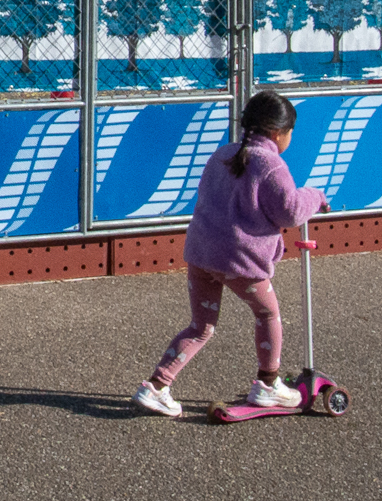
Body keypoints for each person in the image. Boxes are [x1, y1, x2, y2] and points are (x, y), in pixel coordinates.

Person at [132, 90, 327, 417]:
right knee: (267, 315)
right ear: (278, 133)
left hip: (202, 254)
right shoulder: (271, 165)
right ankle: (267, 383)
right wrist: (315, 196)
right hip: (240, 262)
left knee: (201, 327)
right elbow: (291, 211)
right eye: (291, 132)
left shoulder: (223, 154)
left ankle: (156, 386)